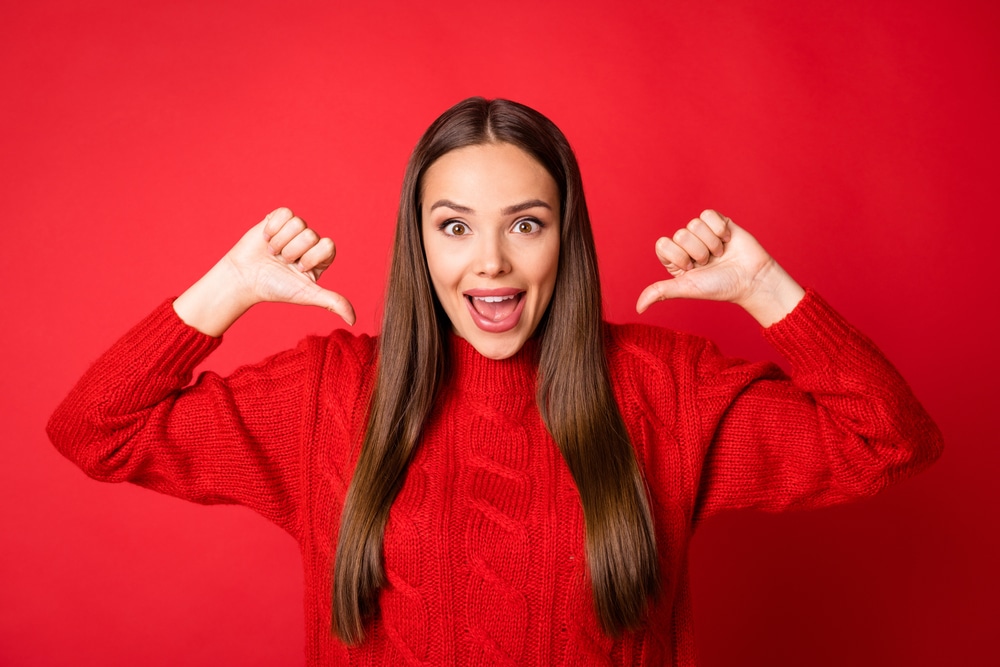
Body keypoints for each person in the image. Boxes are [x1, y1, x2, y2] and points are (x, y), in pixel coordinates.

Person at [48, 97, 943, 666]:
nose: (489, 265)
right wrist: (231, 287)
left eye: (525, 224)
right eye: (453, 227)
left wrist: (763, 288)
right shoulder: (329, 398)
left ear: (567, 237)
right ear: (418, 241)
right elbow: (95, 427)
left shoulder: (659, 388)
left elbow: (890, 440)